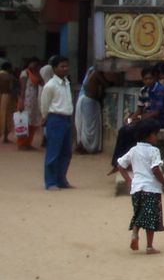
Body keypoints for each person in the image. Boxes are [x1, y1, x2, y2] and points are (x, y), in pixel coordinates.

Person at [116, 119, 164, 255]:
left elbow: (120, 165)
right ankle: (149, 246)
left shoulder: (133, 150)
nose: (157, 137)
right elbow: (156, 169)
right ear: (148, 135)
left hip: (136, 188)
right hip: (151, 188)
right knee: (151, 218)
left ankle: (136, 234)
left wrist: (129, 181)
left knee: (139, 212)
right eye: (155, 134)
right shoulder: (154, 151)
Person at [109, 65, 164, 173]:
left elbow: (156, 112)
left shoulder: (160, 90)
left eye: (150, 78)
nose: (148, 81)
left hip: (160, 120)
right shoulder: (143, 90)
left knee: (133, 131)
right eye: (145, 79)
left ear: (155, 78)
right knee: (124, 129)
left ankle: (129, 163)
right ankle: (118, 162)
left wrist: (138, 119)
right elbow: (139, 109)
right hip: (146, 119)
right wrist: (130, 120)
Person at [40, 56, 75, 190]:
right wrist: (45, 117)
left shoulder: (66, 83)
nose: (65, 69)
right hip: (55, 118)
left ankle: (61, 179)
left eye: (66, 66)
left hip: (66, 119)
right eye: (62, 66)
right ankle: (51, 182)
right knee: (54, 151)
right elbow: (44, 103)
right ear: (54, 68)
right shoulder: (50, 85)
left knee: (66, 152)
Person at [75, 65, 106, 153]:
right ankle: (87, 146)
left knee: (85, 125)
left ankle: (84, 145)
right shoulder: (95, 72)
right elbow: (104, 84)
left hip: (88, 100)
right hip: (89, 101)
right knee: (88, 126)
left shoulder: (92, 72)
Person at [17, 57, 43, 150]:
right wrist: (21, 101)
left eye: (36, 64)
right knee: (24, 122)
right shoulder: (25, 73)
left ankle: (28, 142)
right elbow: (22, 89)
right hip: (26, 100)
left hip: (35, 101)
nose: (34, 66)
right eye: (33, 63)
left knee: (32, 122)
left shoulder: (37, 74)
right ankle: (22, 143)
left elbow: (42, 83)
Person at [0, 61, 14, 143]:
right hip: (6, 96)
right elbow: (11, 88)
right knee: (6, 116)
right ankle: (5, 137)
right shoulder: (9, 76)